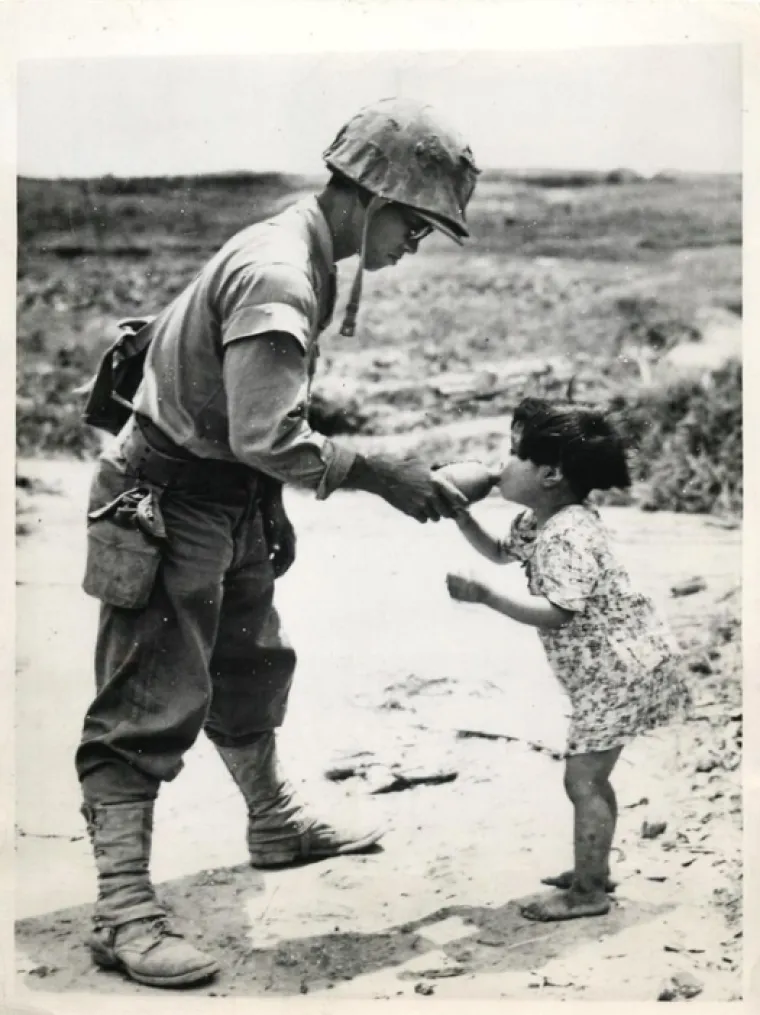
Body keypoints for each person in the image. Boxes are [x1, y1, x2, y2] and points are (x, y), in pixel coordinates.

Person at [75, 97, 480, 988]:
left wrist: (267, 503)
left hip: (224, 494)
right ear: (372, 200)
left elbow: (249, 423)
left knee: (251, 660)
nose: (414, 247)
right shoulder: (279, 274)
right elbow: (267, 431)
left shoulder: (300, 251)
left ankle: (274, 819)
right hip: (168, 500)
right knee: (147, 698)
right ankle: (123, 910)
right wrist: (380, 470)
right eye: (416, 226)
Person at [446, 397, 692, 923]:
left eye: (513, 454)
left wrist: (486, 597)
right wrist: (460, 513)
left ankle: (588, 893)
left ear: (551, 473)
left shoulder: (568, 534)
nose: (501, 465)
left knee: (583, 781)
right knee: (589, 779)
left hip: (618, 672)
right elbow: (497, 551)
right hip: (611, 670)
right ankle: (593, 870)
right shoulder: (542, 519)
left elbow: (559, 613)